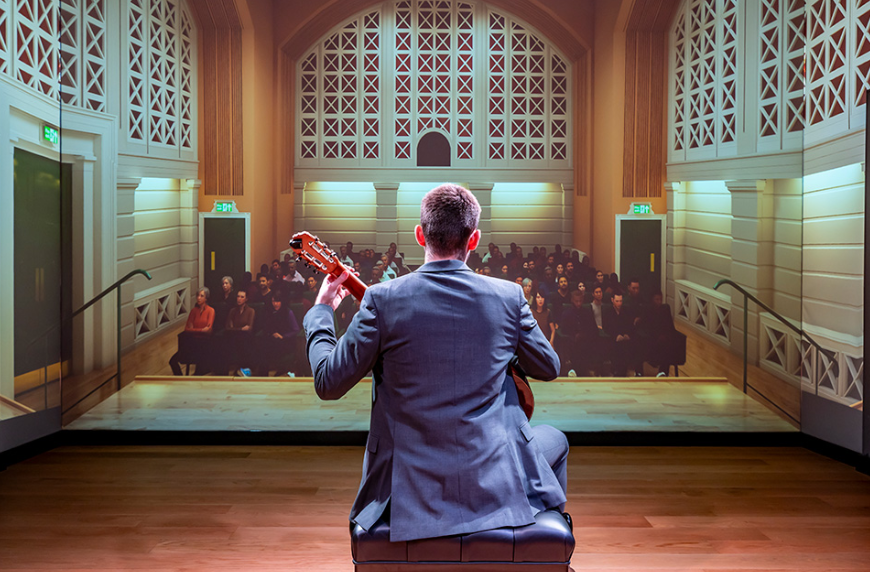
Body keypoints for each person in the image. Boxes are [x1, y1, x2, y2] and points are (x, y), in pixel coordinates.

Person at [304, 183, 567, 543]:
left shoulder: (381, 300)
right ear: (473, 240)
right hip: (491, 478)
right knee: (555, 440)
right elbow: (548, 367)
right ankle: (540, 552)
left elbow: (328, 382)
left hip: (408, 484)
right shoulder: (509, 297)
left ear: (419, 234)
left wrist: (321, 313)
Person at [169, 287, 214, 375]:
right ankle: (180, 379)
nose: (198, 298)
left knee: (198, 369)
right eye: (198, 295)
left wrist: (193, 330)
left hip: (203, 344)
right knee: (172, 361)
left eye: (201, 296)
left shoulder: (210, 310)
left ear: (206, 298)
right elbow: (187, 329)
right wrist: (201, 330)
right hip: (192, 342)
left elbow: (208, 330)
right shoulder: (194, 311)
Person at [255, 292, 299, 376]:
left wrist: (283, 336)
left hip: (285, 340)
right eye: (273, 301)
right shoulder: (270, 312)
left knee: (272, 347)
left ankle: (281, 372)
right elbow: (266, 327)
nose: (275, 304)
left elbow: (296, 329)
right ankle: (262, 376)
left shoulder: (288, 312)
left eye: (278, 301)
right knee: (263, 346)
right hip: (272, 338)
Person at [604, 292, 641, 377]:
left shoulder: (626, 311)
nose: (619, 303)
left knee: (635, 343)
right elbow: (607, 327)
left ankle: (636, 370)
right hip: (613, 337)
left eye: (621, 301)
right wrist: (615, 336)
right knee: (617, 347)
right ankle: (617, 370)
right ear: (612, 300)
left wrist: (627, 335)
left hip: (625, 337)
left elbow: (630, 325)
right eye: (617, 301)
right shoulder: (607, 312)